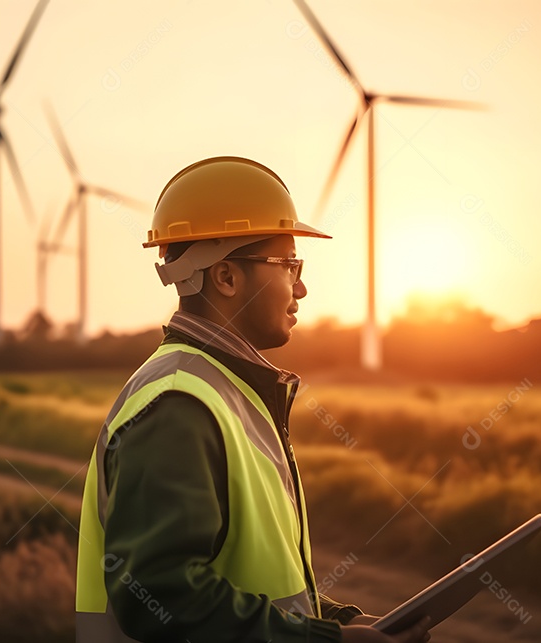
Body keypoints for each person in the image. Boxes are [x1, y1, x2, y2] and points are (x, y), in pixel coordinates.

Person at [75, 156, 431, 642]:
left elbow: (248, 580)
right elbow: (159, 598)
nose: (301, 287)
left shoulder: (224, 390)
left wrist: (337, 623)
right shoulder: (179, 403)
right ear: (226, 277)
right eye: (290, 265)